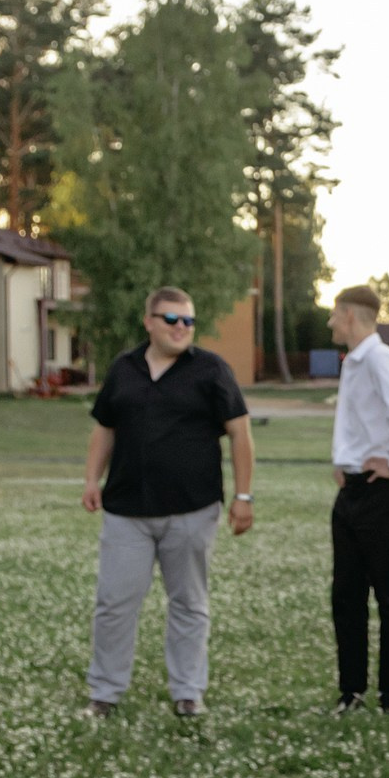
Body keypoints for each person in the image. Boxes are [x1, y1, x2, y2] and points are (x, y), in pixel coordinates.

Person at [81, 287, 254, 719]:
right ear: (149, 322)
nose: (182, 328)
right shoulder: (123, 369)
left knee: (189, 604)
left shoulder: (212, 370)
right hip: (126, 512)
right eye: (171, 319)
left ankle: (188, 692)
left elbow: (240, 433)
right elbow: (105, 428)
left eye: (189, 321)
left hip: (192, 510)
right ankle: (104, 694)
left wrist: (243, 495)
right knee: (114, 604)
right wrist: (91, 479)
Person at [328, 283, 389, 715]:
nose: (329, 322)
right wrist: (342, 461)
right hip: (352, 490)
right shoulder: (354, 362)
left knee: (387, 594)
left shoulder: (380, 357)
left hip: (381, 491)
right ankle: (351, 691)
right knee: (345, 594)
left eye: (333, 314)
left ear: (349, 315)